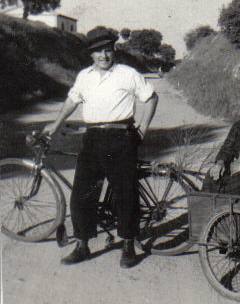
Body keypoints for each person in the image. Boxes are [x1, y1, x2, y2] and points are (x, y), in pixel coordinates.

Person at [42, 28, 158, 268]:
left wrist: (142, 128)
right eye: (98, 51)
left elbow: (151, 98)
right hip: (93, 137)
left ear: (113, 50)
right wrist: (55, 125)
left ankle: (128, 245)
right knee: (82, 193)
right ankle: (82, 245)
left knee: (125, 193)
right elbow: (72, 101)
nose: (104, 55)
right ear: (91, 54)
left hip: (121, 137)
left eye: (107, 50)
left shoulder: (127, 73)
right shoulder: (84, 76)